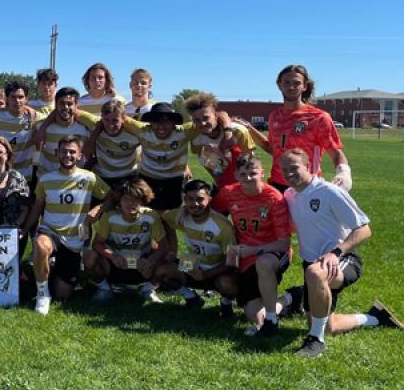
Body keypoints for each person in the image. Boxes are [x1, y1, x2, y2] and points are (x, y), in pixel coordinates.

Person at [281, 149, 403, 357]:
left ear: (308, 166)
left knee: (315, 275)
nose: (289, 174)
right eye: (285, 170)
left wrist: (336, 252)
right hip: (312, 263)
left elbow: (364, 229)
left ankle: (315, 341)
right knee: (329, 325)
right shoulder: (289, 195)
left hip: (343, 259)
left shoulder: (329, 191)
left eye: (294, 168)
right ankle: (375, 318)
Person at [23, 135, 110, 315]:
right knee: (40, 244)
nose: (68, 155)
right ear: (57, 154)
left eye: (72, 152)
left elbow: (111, 197)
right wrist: (25, 229)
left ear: (79, 156)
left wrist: (99, 209)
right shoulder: (46, 179)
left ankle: (52, 269)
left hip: (74, 240)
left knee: (62, 295)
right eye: (64, 151)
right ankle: (42, 294)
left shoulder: (89, 178)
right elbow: (37, 208)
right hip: (50, 232)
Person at [212, 152, 292, 337]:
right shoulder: (229, 193)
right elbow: (212, 210)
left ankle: (275, 313)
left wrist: (254, 250)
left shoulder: (274, 198)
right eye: (243, 174)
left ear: (262, 173)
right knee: (252, 313)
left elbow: (283, 243)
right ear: (236, 175)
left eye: (253, 173)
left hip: (271, 254)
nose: (248, 178)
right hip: (242, 255)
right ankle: (289, 298)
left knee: (262, 263)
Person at [239, 64, 351, 193]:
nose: (291, 87)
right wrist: (248, 128)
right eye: (286, 82)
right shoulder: (275, 116)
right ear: (279, 85)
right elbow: (274, 149)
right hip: (277, 186)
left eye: (296, 83)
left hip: (307, 186)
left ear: (304, 86)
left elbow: (336, 153)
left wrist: (344, 173)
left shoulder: (319, 117)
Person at [159, 180, 239, 316]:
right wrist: (171, 250)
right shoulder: (182, 215)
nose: (195, 204)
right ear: (184, 199)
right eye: (190, 199)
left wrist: (206, 274)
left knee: (228, 283)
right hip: (192, 264)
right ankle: (192, 298)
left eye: (200, 199)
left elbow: (233, 263)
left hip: (216, 269)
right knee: (161, 271)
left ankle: (226, 304)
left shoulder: (222, 226)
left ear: (210, 199)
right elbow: (156, 215)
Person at [83, 179, 168, 304]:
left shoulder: (151, 216)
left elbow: (163, 246)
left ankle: (148, 289)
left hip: (141, 264)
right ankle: (105, 288)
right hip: (116, 263)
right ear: (119, 200)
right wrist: (113, 256)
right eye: (126, 199)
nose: (130, 203)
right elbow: (97, 244)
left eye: (136, 199)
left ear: (143, 200)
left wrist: (151, 260)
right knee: (89, 256)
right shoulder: (110, 216)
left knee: (165, 259)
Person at [0, 81, 43, 183]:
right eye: (13, 97)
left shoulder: (34, 117)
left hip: (24, 178)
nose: (17, 101)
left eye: (21, 97)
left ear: (26, 99)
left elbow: (55, 116)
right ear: (7, 99)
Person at [185, 92, 254, 191]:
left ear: (216, 115)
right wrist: (217, 178)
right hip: (221, 184)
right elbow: (203, 160)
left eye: (206, 118)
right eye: (197, 120)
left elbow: (251, 163)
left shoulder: (238, 132)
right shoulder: (195, 136)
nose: (202, 123)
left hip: (244, 183)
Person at [34, 87, 92, 178]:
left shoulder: (85, 129)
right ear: (55, 105)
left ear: (76, 105)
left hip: (74, 182)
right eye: (61, 103)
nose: (65, 107)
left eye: (69, 104)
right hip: (46, 181)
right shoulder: (42, 127)